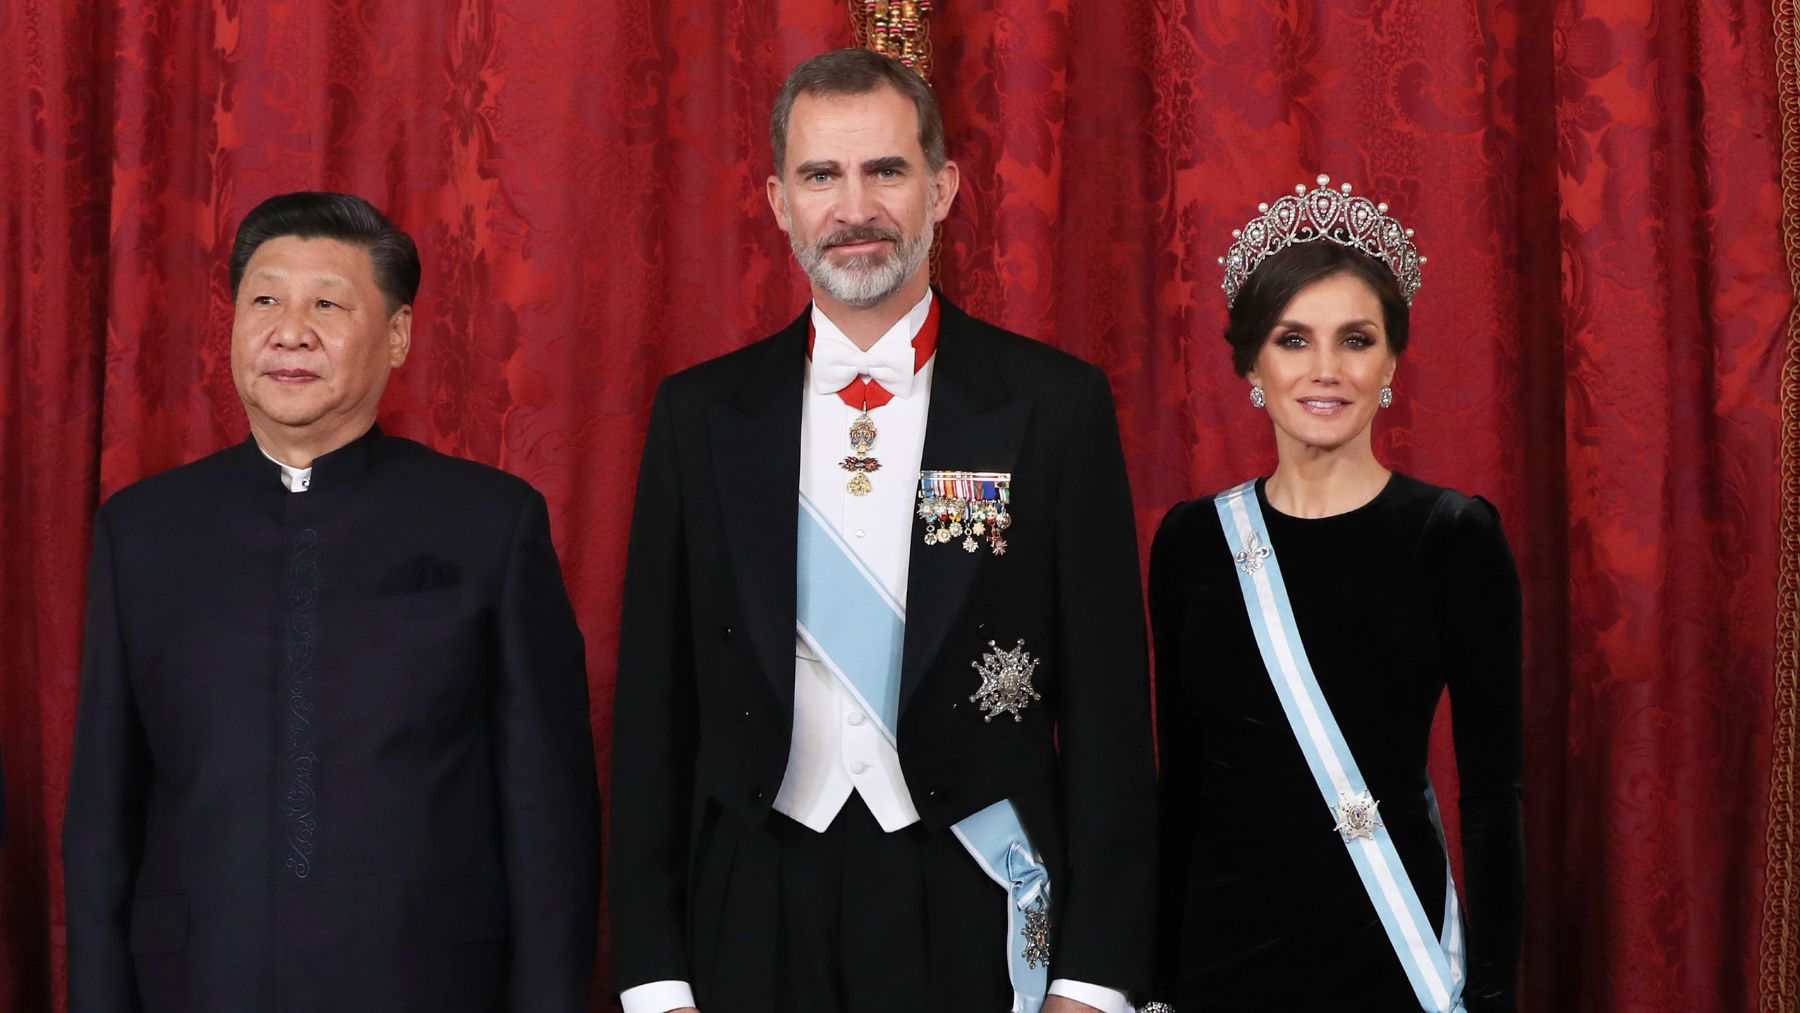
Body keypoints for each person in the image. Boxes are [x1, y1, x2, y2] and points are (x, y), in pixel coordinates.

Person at [608, 48, 1156, 1013]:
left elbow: (1111, 718)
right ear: (778, 200)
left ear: (942, 189)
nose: (853, 208)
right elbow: (656, 711)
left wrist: (1093, 978)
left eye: (886, 171)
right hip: (755, 893)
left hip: (972, 892)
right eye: (822, 175)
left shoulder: (1053, 406)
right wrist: (653, 977)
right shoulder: (699, 415)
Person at [63, 192, 600, 1013]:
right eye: (266, 299)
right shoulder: (142, 532)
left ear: (397, 337)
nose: (290, 330)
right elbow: (102, 821)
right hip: (196, 982)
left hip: (426, 985)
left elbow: (549, 820)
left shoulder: (490, 524)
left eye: (327, 304)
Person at [1149, 176, 1524, 1011]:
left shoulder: (1455, 537)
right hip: (1220, 955)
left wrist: (1494, 991)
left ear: (1392, 358)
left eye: (1355, 340)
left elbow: (1494, 796)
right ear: (1251, 360)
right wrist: (1156, 978)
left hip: (1386, 945)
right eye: (1293, 340)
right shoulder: (1191, 543)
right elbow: (1180, 786)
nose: (1325, 371)